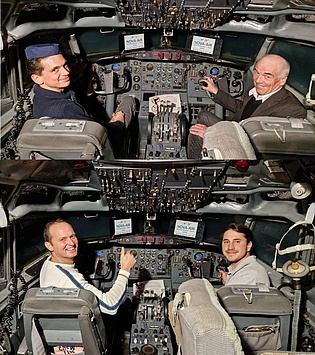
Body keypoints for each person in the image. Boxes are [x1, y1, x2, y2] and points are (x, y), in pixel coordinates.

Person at [25, 43, 136, 158]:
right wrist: (118, 123)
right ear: (37, 78)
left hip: (69, 149)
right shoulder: (65, 109)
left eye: (65, 65)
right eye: (55, 70)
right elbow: (102, 133)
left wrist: (88, 94)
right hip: (100, 148)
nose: (66, 72)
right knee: (129, 101)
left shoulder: (39, 97)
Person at [188, 54, 307, 159]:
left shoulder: (292, 110)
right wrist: (216, 91)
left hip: (243, 152)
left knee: (196, 132)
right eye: (257, 72)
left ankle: (196, 171)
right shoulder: (255, 91)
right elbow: (241, 108)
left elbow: (260, 149)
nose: (258, 80)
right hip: (235, 130)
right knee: (203, 116)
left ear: (282, 80)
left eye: (267, 76)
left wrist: (212, 135)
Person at [40, 219, 136, 315]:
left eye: (72, 236)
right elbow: (111, 306)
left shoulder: (48, 263)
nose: (71, 243)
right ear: (49, 246)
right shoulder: (68, 278)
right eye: (62, 239)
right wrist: (125, 269)